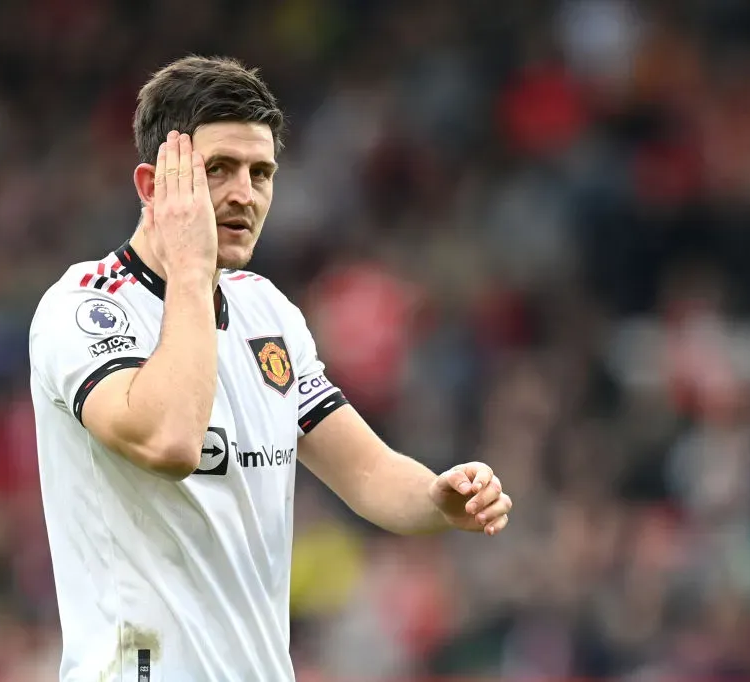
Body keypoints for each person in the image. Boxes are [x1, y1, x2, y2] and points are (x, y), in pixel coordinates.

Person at [28, 55, 513, 682]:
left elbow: (365, 470)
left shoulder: (267, 313)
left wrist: (436, 498)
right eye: (218, 170)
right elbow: (171, 440)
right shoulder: (84, 310)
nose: (244, 194)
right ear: (153, 187)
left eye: (261, 173)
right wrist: (194, 271)